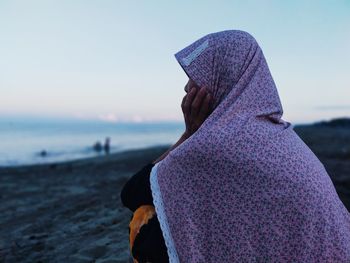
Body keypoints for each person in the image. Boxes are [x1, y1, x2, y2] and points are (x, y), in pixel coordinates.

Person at [121, 30, 350, 262]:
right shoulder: (280, 134)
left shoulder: (217, 145)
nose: (186, 87)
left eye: (197, 76)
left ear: (224, 78)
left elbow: (132, 193)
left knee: (145, 223)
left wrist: (189, 135)